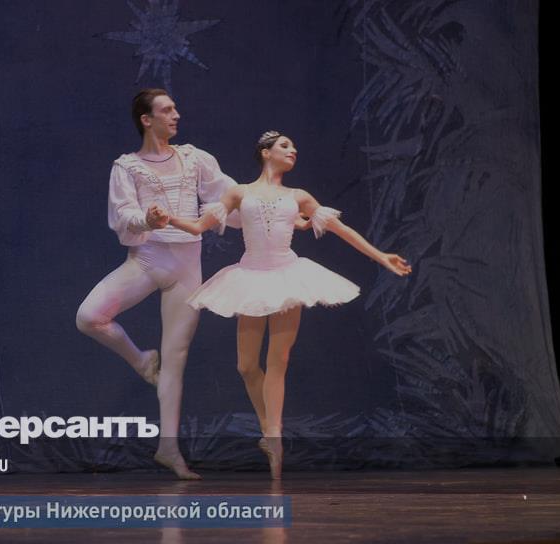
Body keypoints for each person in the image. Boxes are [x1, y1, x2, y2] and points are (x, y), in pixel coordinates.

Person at [163, 130, 412, 479]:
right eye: (284, 145)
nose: (292, 150)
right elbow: (197, 227)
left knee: (277, 360)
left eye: (294, 146)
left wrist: (382, 256)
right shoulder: (239, 193)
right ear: (266, 152)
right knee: (246, 365)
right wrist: (167, 219)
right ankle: (269, 428)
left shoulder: (298, 196)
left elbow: (342, 230)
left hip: (286, 275)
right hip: (250, 278)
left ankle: (274, 438)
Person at [75, 89, 238, 480]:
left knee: (175, 359)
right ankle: (141, 360)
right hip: (147, 261)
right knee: (89, 317)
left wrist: (269, 207)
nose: (176, 115)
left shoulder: (194, 158)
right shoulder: (127, 167)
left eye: (175, 108)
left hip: (186, 268)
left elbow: (229, 194)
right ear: (147, 120)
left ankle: (168, 449)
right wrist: (147, 219)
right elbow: (123, 214)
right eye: (167, 110)